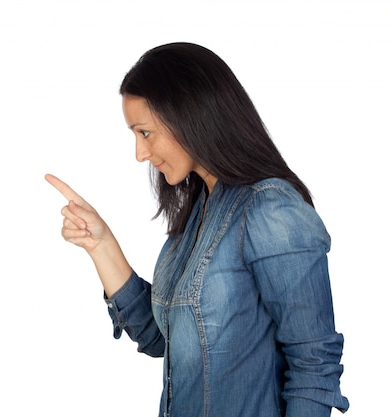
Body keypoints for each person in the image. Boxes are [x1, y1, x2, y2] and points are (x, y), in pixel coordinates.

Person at [45, 42, 349, 417]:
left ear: (190, 117)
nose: (139, 154)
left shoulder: (270, 210)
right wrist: (101, 245)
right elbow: (162, 339)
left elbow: (313, 365)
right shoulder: (199, 211)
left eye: (145, 133)